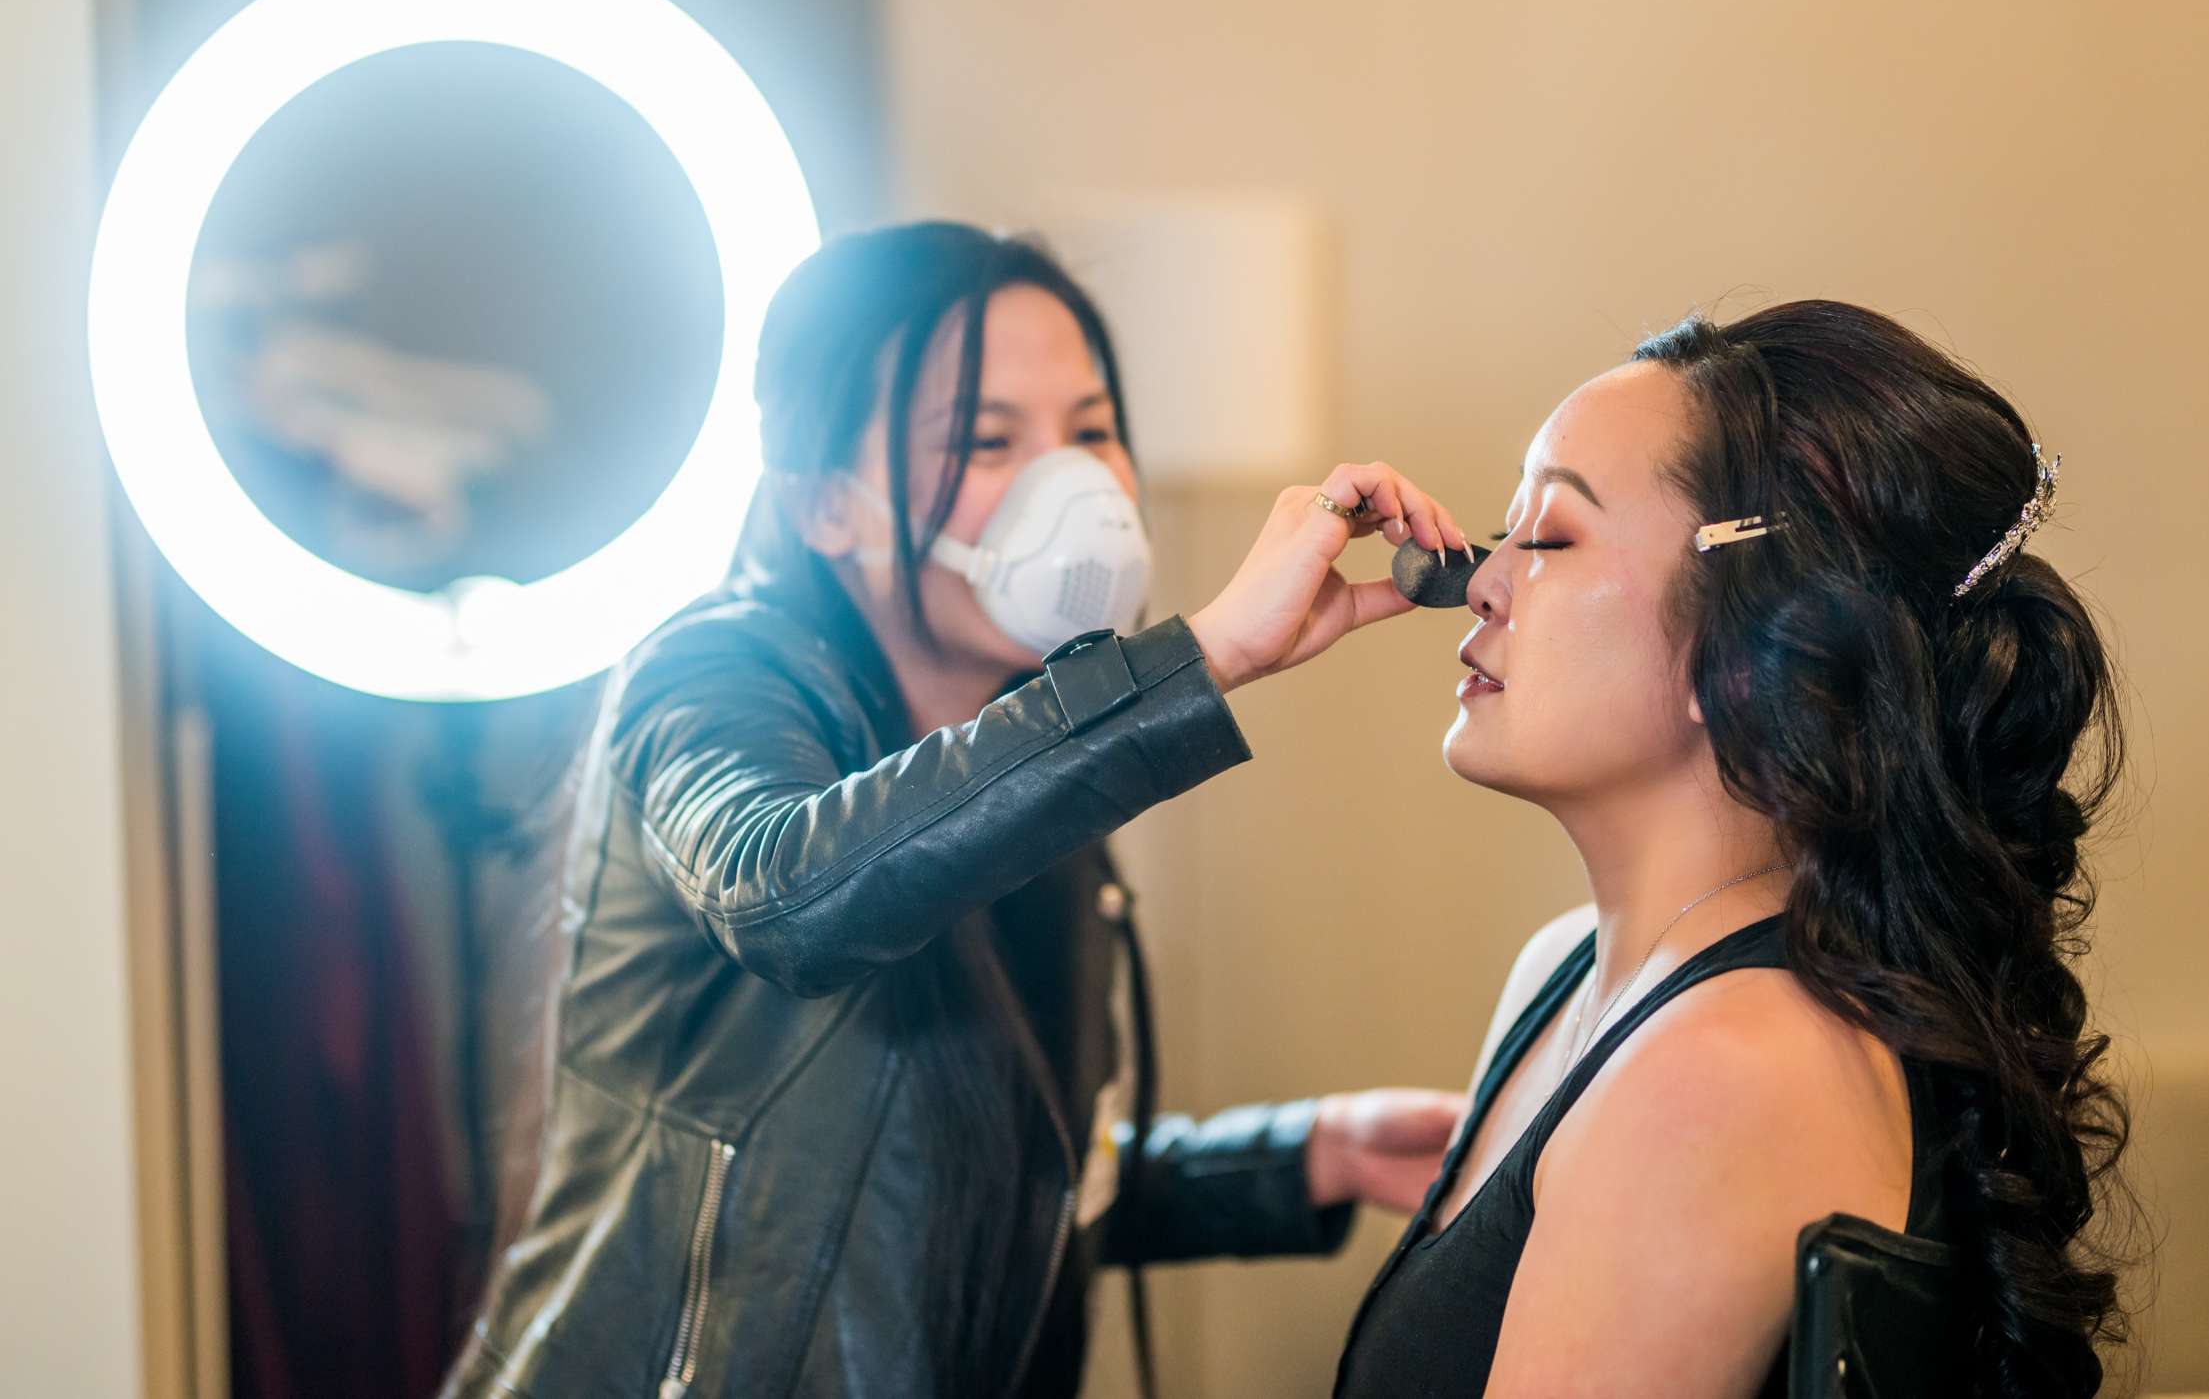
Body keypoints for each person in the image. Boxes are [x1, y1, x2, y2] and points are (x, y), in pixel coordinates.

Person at [441, 222, 1468, 1399]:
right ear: (825, 504)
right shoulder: (710, 675)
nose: (1069, 481)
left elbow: (979, 1174)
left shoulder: (1037, 736)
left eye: (1091, 432)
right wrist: (1206, 659)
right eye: (986, 440)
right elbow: (787, 895)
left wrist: (1304, 1157)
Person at [1334, 302, 2135, 1398]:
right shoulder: (1562, 971)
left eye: (1553, 538)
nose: (1477, 579)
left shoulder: (1725, 1074)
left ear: (1756, 646)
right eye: (1503, 529)